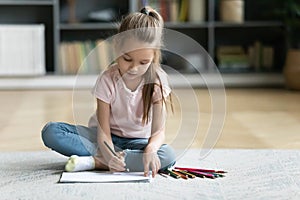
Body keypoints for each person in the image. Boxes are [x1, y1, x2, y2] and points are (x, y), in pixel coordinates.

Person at [41, 6, 176, 178]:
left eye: (143, 62)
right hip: (103, 138)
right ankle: (114, 160)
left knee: (168, 156)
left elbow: (158, 133)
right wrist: (109, 153)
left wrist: (150, 149)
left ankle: (97, 162)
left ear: (154, 56)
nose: (134, 68)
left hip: (138, 143)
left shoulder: (157, 81)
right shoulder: (107, 79)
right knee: (52, 132)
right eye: (127, 59)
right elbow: (103, 132)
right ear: (117, 46)